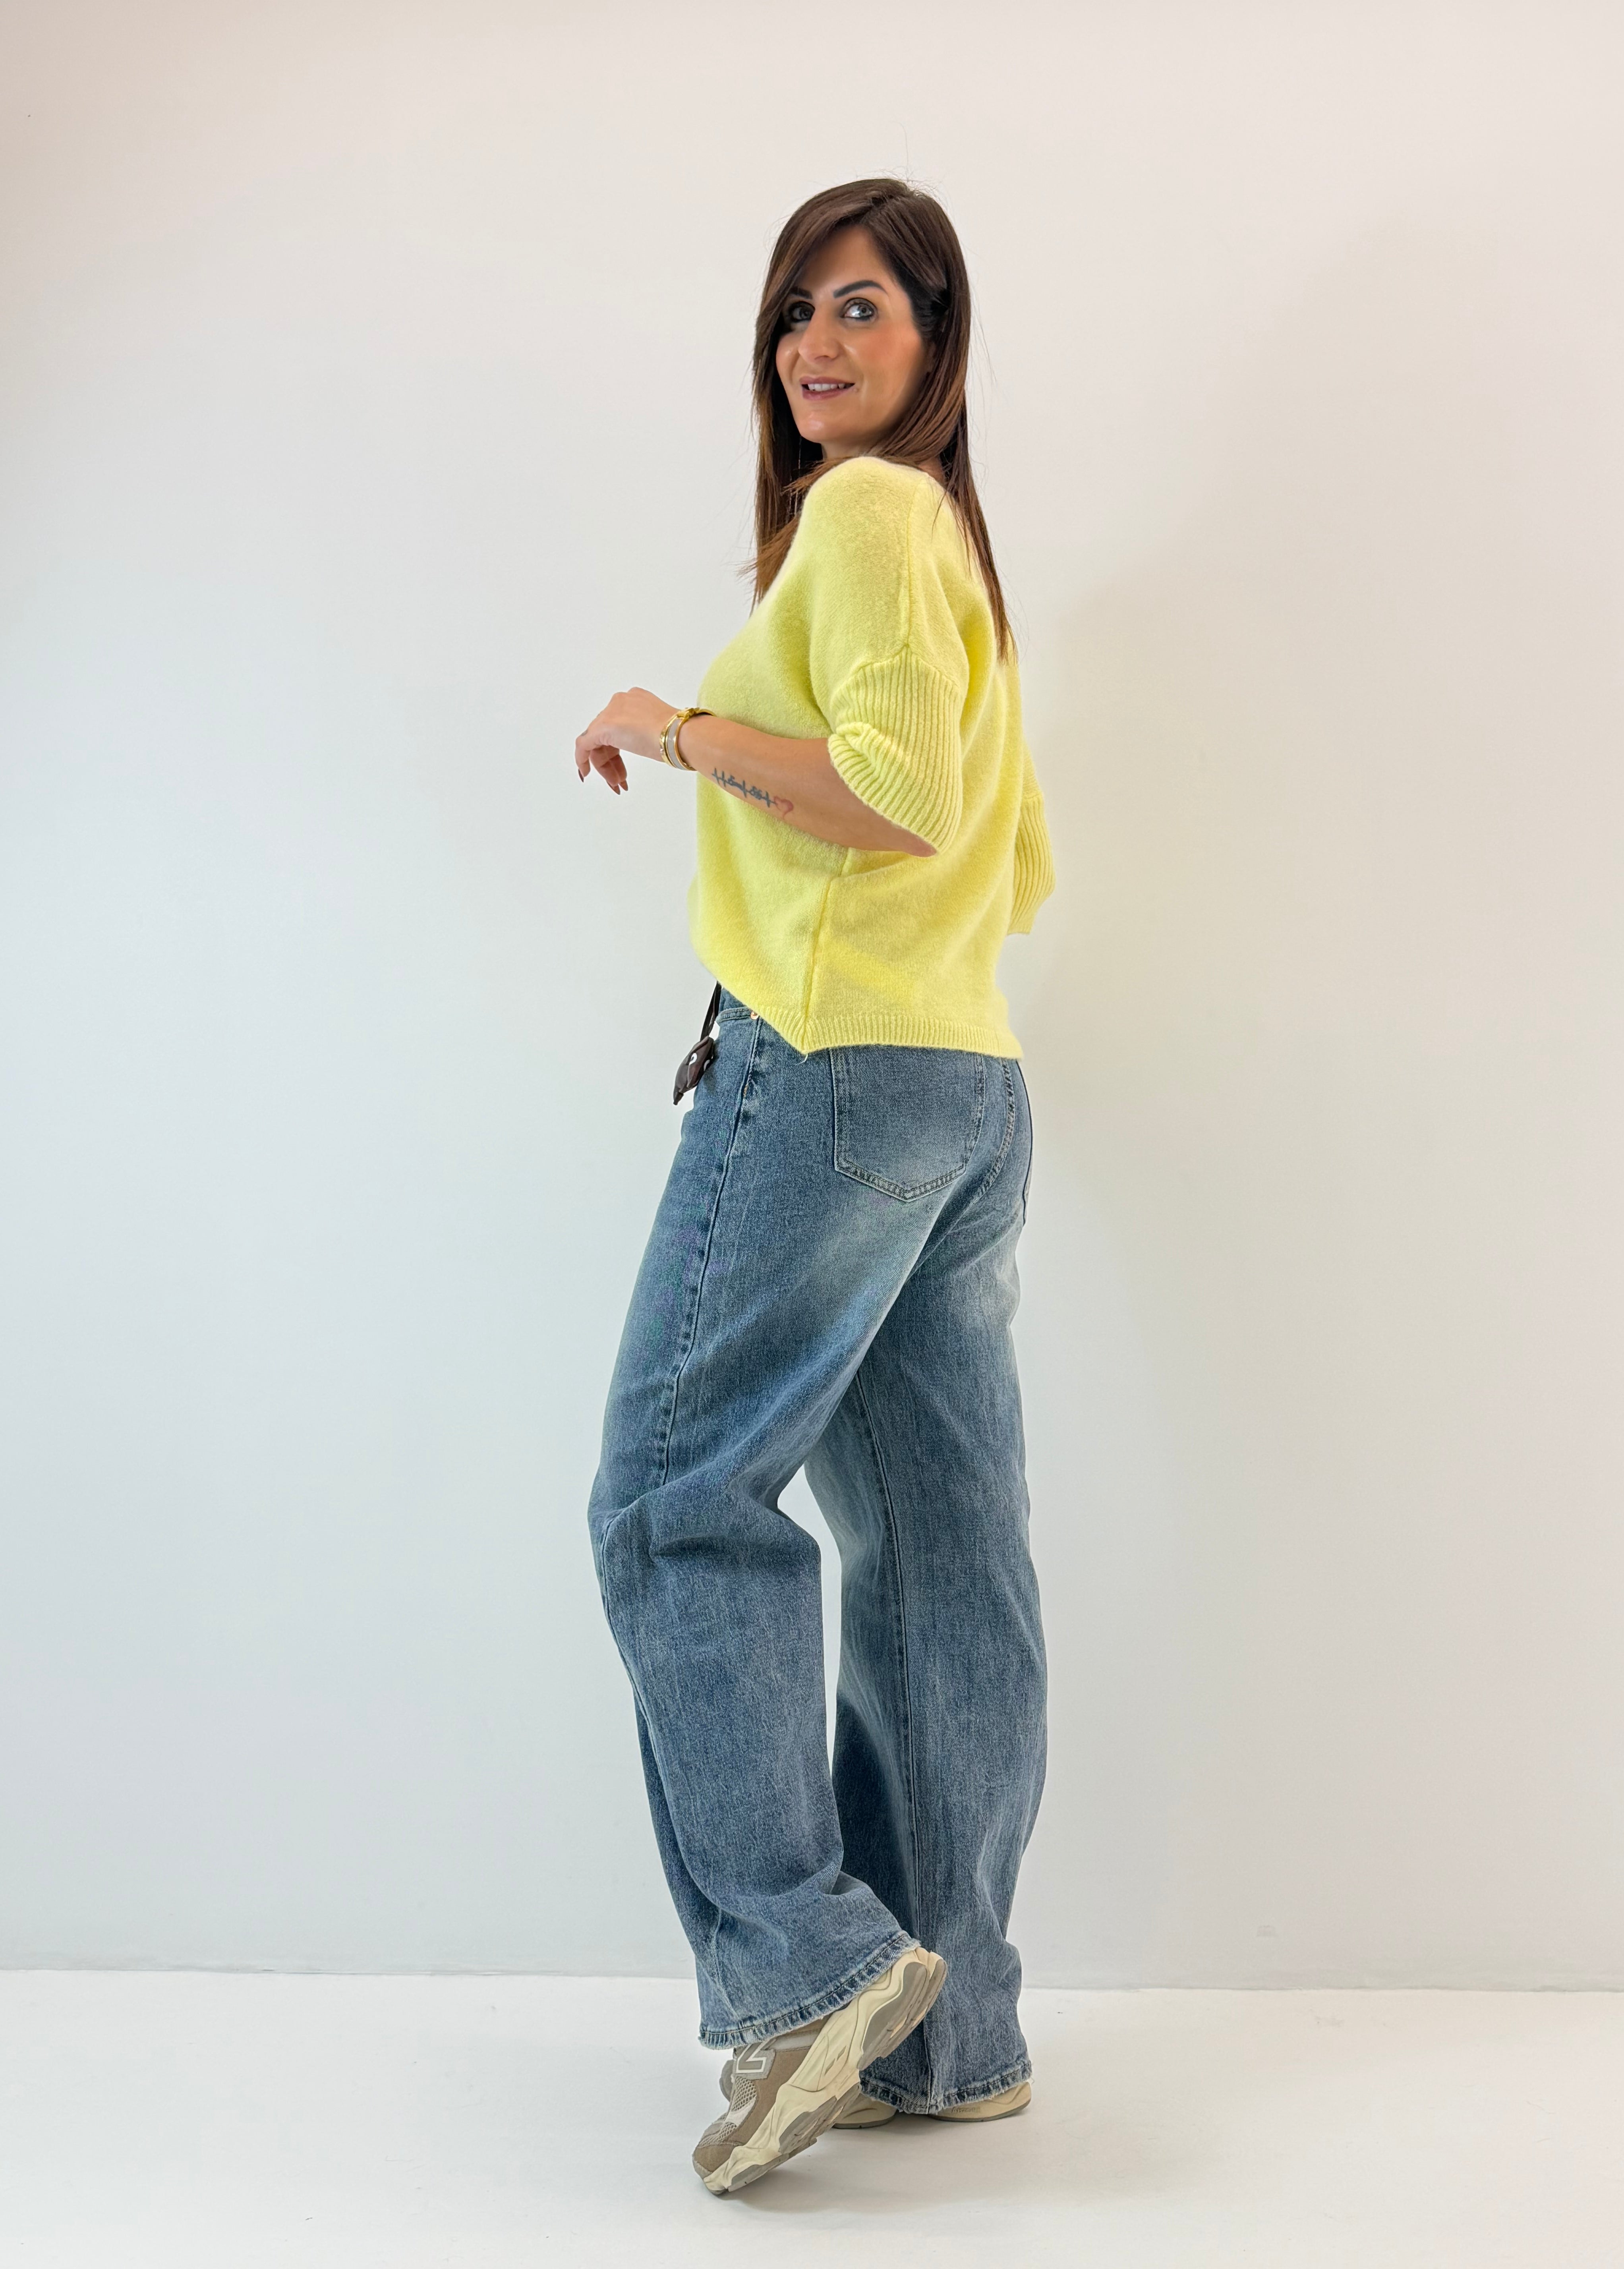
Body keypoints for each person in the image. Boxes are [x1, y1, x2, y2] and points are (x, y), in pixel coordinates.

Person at [573, 176, 1056, 2198]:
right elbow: (1017, 856)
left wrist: (680, 731)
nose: (816, 346)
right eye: (795, 313)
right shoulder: (950, 546)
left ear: (939, 339)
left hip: (834, 1065)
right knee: (941, 1550)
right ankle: (950, 2038)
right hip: (962, 1080)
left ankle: (808, 1973)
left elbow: (904, 797)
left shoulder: (868, 514)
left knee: (670, 1499)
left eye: (863, 308)